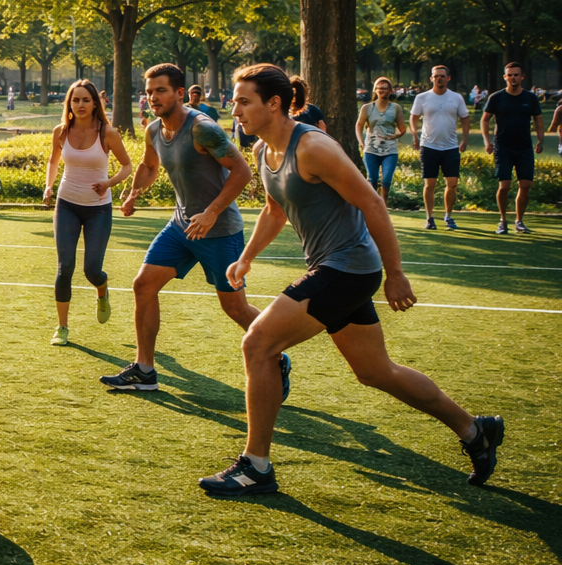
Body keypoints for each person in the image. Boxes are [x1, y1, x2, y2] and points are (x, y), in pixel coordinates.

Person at [201, 63, 502, 496]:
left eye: (244, 101)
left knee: (258, 344)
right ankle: (476, 430)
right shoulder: (263, 152)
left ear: (274, 103)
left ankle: (256, 466)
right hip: (332, 266)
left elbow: (372, 205)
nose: (236, 109)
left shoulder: (313, 147)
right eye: (235, 100)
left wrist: (395, 274)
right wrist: (246, 257)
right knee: (376, 372)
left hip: (350, 266)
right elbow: (275, 210)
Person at [112, 64, 277, 393]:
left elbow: (242, 172)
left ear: (179, 93)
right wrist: (134, 192)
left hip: (219, 230)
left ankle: (275, 352)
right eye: (148, 92)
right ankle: (145, 370)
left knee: (234, 307)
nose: (153, 98)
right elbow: (148, 165)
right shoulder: (155, 130)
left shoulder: (203, 128)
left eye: (160, 91)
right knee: (143, 285)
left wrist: (212, 212)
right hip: (181, 226)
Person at [42, 79, 132, 346]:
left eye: (85, 100)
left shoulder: (107, 133)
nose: (80, 105)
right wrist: (49, 186)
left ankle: (102, 292)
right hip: (67, 204)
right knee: (64, 267)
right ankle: (62, 327)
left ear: (95, 103)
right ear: (69, 104)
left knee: (92, 270)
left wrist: (108, 183)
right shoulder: (61, 131)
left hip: (98, 210)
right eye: (75, 100)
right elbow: (53, 160)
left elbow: (127, 166)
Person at [482, 61, 544, 234]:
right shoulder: (496, 97)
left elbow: (538, 119)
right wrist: (487, 141)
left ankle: (519, 221)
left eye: (516, 74)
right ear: (505, 77)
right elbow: (485, 119)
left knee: (525, 185)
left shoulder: (530, 98)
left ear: (522, 76)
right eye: (509, 75)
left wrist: (541, 140)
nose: (513, 78)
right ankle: (502, 220)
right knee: (505, 186)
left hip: (524, 147)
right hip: (503, 147)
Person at [410, 64, 470, 231]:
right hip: (429, 146)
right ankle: (430, 218)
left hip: (451, 147)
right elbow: (413, 118)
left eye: (442, 76)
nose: (439, 78)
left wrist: (465, 139)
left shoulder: (456, 98)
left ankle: (448, 216)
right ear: (431, 78)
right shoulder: (422, 98)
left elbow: (465, 118)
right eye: (436, 76)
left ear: (448, 78)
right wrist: (415, 134)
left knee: (452, 184)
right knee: (430, 184)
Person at [356, 77, 406, 205]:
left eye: (385, 88)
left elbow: (402, 129)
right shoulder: (367, 108)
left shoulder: (396, 108)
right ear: (375, 90)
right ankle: (373, 205)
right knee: (372, 179)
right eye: (379, 88)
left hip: (390, 150)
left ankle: (383, 204)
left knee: (386, 180)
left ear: (390, 91)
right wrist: (361, 142)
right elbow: (359, 125)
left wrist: (394, 136)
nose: (382, 90)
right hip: (371, 149)